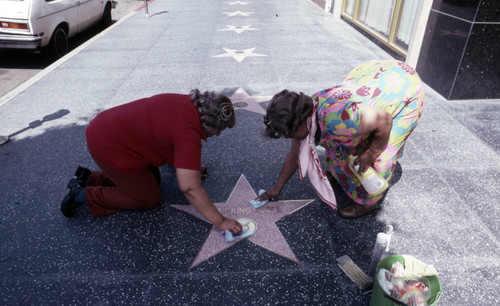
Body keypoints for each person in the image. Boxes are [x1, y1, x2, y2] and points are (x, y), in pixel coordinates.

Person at [61, 89, 243, 235]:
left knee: (153, 179)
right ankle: (82, 194)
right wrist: (221, 221)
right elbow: (189, 188)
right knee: (148, 198)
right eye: (219, 129)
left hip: (106, 128)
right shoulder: (188, 132)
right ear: (207, 122)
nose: (218, 134)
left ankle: (89, 177)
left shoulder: (187, 103)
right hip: (108, 146)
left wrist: (189, 166)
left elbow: (165, 133)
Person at [258, 60, 425, 219]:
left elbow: (385, 120)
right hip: (374, 83)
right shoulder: (305, 113)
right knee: (341, 147)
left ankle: (368, 203)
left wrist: (372, 152)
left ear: (300, 122)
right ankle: (344, 177)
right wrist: (277, 188)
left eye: (290, 134)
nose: (290, 138)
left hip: (402, 89)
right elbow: (295, 154)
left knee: (382, 155)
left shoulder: (342, 119)